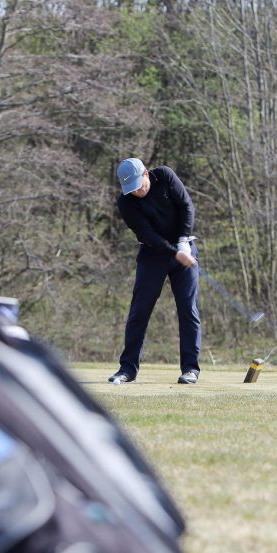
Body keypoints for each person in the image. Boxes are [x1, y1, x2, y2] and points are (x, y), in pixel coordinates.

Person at [109, 157, 201, 385]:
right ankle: (127, 369)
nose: (138, 191)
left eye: (140, 185)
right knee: (140, 310)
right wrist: (173, 252)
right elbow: (146, 234)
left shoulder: (166, 176)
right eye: (132, 189)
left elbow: (186, 206)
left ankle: (190, 369)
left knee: (188, 310)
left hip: (184, 247)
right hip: (152, 254)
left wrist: (182, 244)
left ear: (146, 174)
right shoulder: (126, 202)